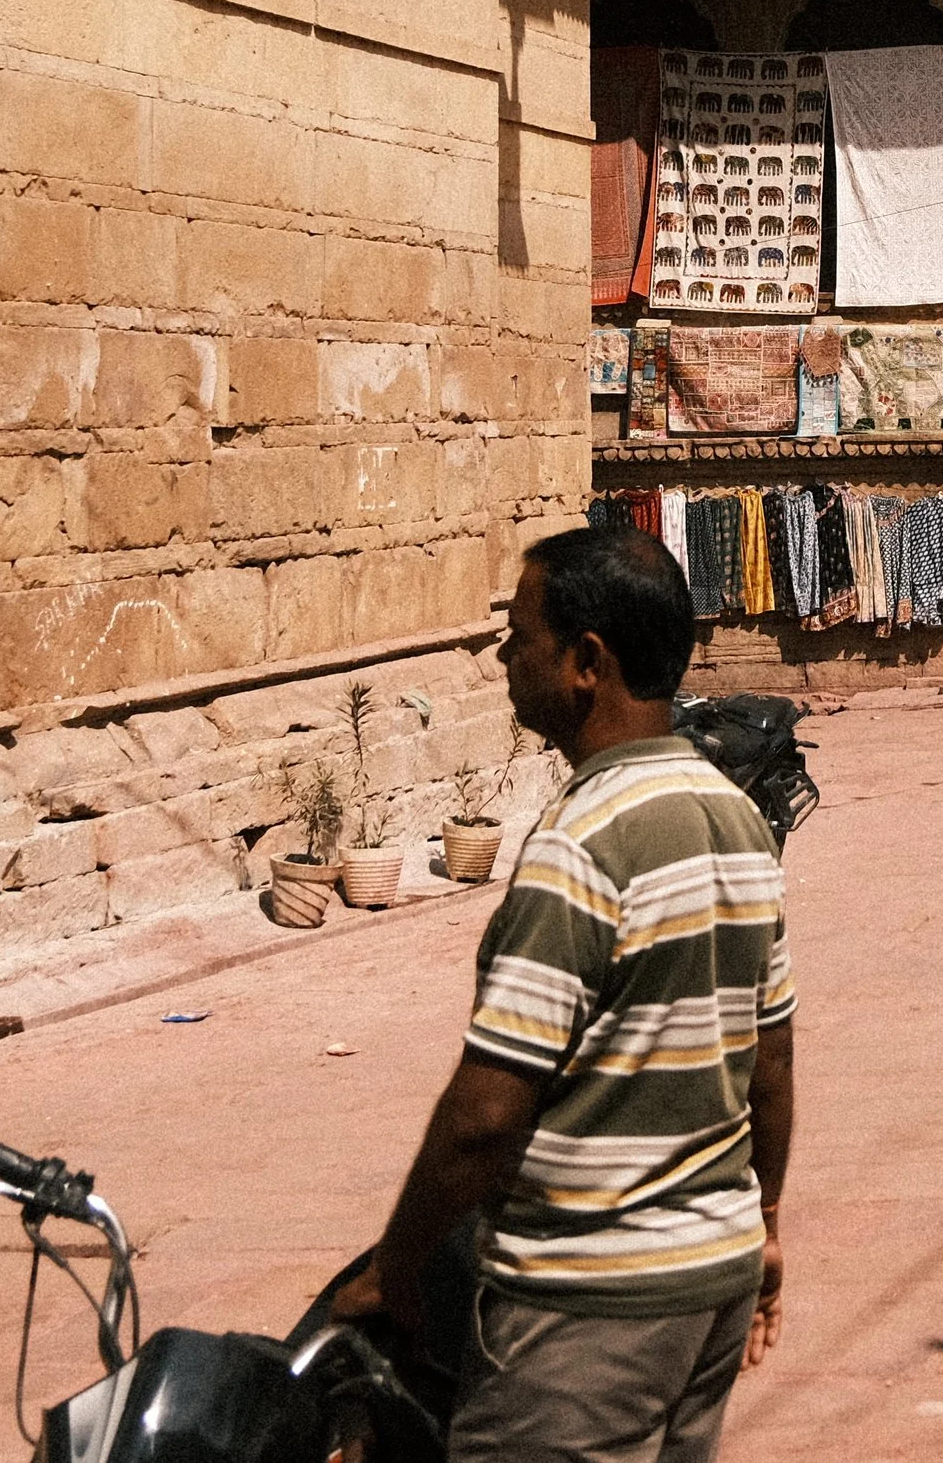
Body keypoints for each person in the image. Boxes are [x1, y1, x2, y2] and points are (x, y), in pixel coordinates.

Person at [334, 524, 796, 1463]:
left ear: (586, 662)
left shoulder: (578, 846)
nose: (505, 655)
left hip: (587, 1311)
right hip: (711, 1283)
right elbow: (771, 1062)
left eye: (520, 634)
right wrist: (765, 1229)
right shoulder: (736, 817)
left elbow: (486, 1115)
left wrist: (398, 1267)